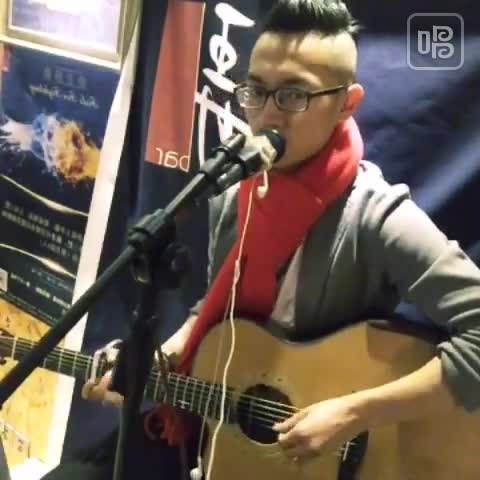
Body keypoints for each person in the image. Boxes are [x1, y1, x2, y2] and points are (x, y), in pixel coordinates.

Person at [43, 0, 480, 479]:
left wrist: (354, 413)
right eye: (256, 91)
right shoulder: (235, 195)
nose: (268, 115)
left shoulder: (377, 217)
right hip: (218, 429)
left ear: (346, 104)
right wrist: (157, 359)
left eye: (293, 95)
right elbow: (216, 311)